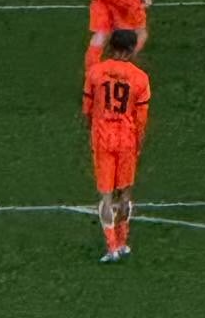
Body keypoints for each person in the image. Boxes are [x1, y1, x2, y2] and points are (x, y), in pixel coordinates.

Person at [82, 28, 151, 263]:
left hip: (102, 138)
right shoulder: (140, 78)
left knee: (106, 196)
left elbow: (87, 110)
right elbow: (141, 118)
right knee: (125, 194)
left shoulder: (95, 72)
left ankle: (111, 247)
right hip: (127, 139)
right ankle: (123, 242)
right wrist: (138, 142)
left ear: (111, 47)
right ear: (132, 50)